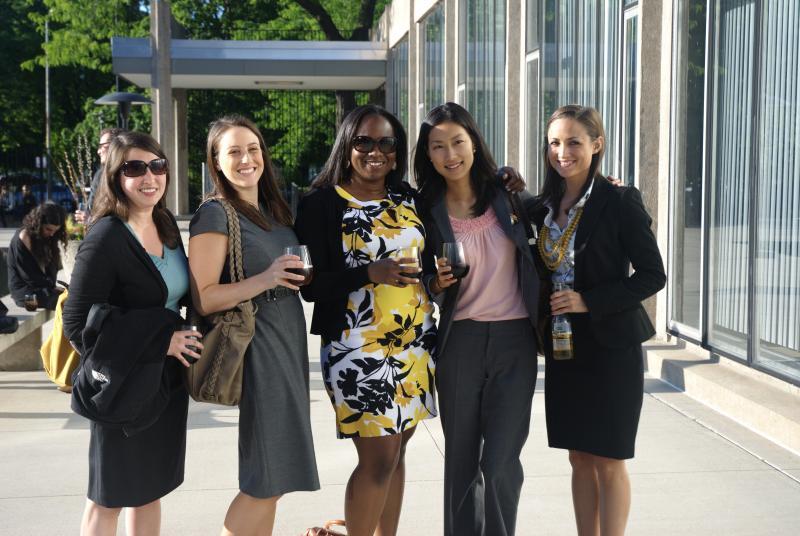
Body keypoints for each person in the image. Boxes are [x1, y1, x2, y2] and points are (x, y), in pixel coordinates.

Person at [294, 104, 438, 536]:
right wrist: (368, 273)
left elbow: (426, 261)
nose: (375, 151)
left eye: (386, 142)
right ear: (347, 146)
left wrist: (438, 278)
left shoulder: (408, 198)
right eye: (364, 141)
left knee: (396, 455)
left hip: (414, 342)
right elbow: (310, 286)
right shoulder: (321, 203)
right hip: (358, 348)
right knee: (377, 458)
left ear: (396, 151)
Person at [532, 105, 666, 536]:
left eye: (573, 141)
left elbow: (652, 275)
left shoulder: (619, 199)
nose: (562, 151)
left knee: (609, 458)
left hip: (611, 347)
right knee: (578, 456)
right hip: (564, 347)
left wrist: (588, 301)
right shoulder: (542, 207)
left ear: (597, 144)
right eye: (555, 142)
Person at [413, 102, 541, 536]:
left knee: (501, 461)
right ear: (427, 154)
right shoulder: (422, 209)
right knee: (463, 461)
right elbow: (419, 278)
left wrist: (605, 188)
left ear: (474, 143)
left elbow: (556, 217)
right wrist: (436, 282)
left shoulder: (508, 196)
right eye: (438, 146)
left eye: (458, 142)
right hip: (460, 341)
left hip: (515, 340)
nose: (451, 154)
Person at [62, 131, 199, 536]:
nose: (149, 177)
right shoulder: (105, 237)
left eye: (157, 166)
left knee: (149, 490)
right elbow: (76, 322)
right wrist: (160, 339)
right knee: (109, 498)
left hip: (164, 383)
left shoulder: (166, 223)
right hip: (122, 385)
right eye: (134, 168)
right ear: (115, 176)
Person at [189, 114, 319, 536]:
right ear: (216, 161)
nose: (247, 159)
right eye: (234, 151)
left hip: (286, 339)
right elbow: (204, 296)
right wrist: (266, 279)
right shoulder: (215, 214)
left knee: (276, 475)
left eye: (253, 149)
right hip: (259, 345)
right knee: (266, 475)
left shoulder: (271, 210)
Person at [7, 201, 67, 310]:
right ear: (38, 224)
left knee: (71, 298)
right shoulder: (24, 237)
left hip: (43, 289)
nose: (52, 234)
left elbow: (51, 270)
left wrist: (52, 287)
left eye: (55, 230)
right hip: (25, 293)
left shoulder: (49, 237)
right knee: (66, 302)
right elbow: (29, 277)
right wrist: (51, 289)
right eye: (48, 229)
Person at [75, 127, 127, 224]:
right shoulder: (101, 175)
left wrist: (90, 219)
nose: (98, 151)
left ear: (115, 145)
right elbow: (91, 209)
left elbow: (92, 210)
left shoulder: (103, 175)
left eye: (102, 146)